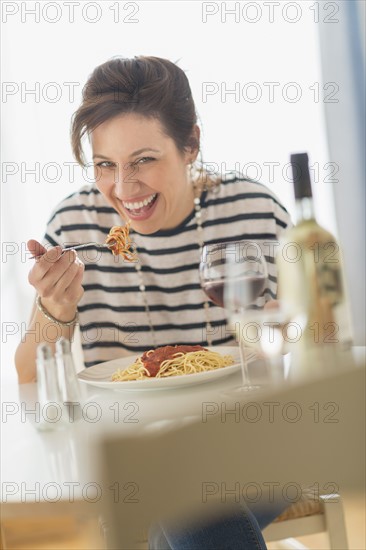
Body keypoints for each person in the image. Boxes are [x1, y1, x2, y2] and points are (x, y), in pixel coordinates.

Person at [15, 56, 291, 549]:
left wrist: (280, 331)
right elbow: (32, 378)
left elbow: (311, 343)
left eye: (143, 160)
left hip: (255, 443)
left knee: (180, 494)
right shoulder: (76, 227)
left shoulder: (253, 212)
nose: (124, 188)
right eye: (105, 165)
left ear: (191, 145)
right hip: (131, 453)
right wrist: (55, 308)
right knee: (174, 490)